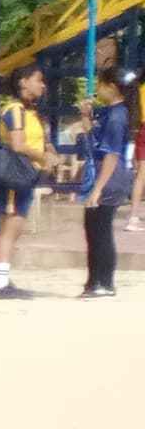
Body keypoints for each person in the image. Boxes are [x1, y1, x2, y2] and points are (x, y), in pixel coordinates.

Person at [0, 67, 55, 299]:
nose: (42, 85)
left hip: (24, 175)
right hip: (15, 176)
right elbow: (17, 144)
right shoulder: (15, 109)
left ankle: (2, 278)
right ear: (24, 82)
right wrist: (43, 157)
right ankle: (0, 284)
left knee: (12, 227)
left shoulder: (29, 111)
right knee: (11, 227)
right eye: (39, 80)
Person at [79, 66, 133, 298]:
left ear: (111, 87)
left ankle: (104, 282)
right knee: (92, 229)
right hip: (101, 175)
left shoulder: (117, 116)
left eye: (100, 84)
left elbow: (111, 155)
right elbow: (93, 138)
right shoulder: (109, 112)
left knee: (100, 229)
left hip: (109, 178)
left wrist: (97, 189)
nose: (97, 89)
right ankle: (94, 281)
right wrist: (85, 116)